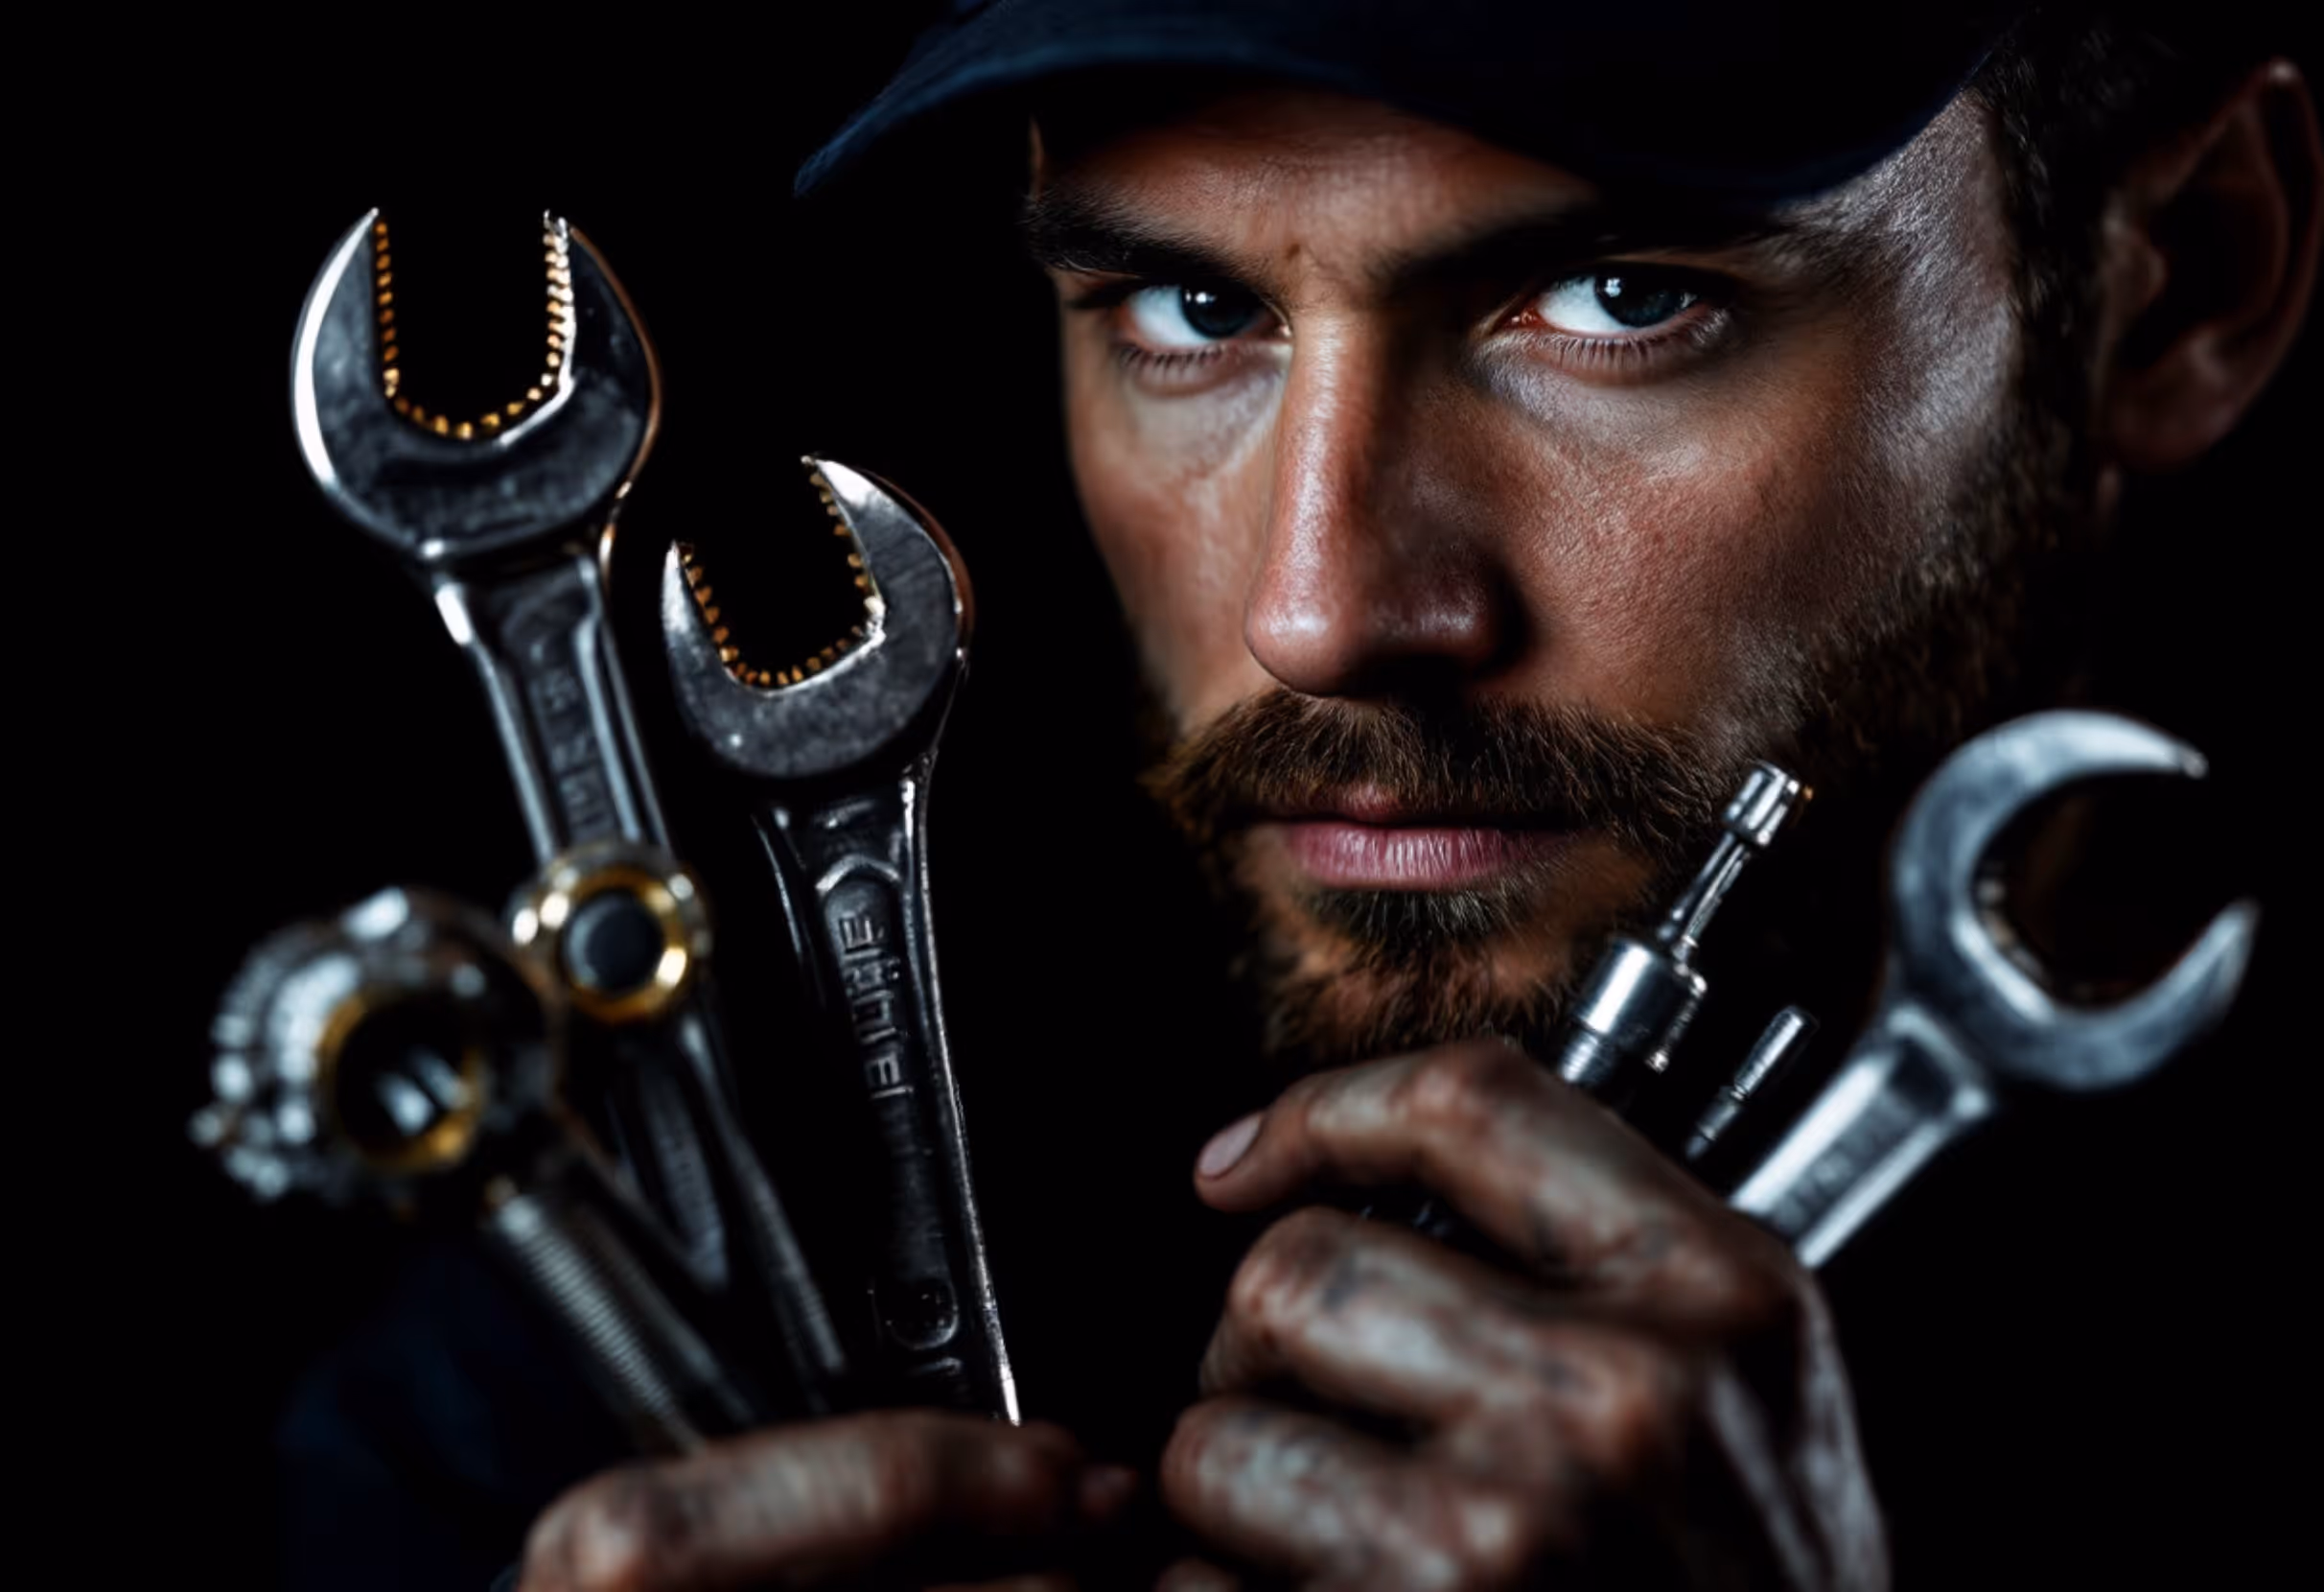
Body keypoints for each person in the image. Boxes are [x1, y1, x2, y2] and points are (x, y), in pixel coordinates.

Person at [274, 3, 2315, 1587]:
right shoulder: (573, 1406)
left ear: (2188, 275)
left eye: (1620, 299)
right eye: (1194, 311)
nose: (1323, 607)